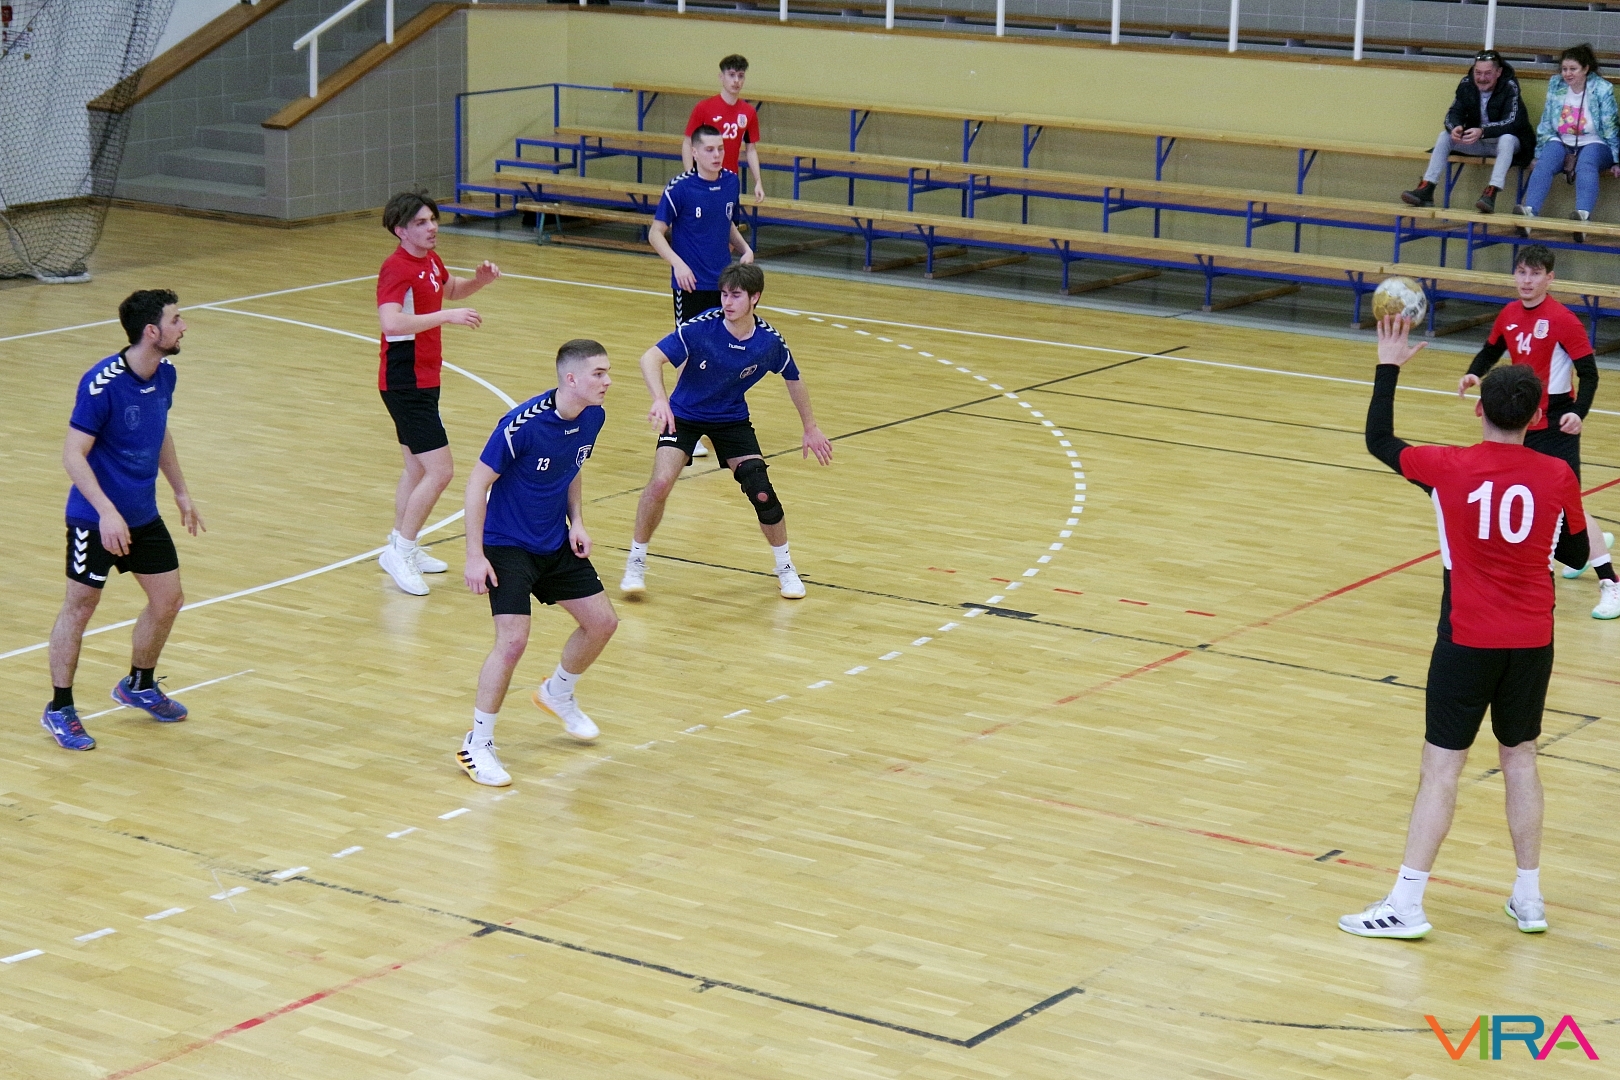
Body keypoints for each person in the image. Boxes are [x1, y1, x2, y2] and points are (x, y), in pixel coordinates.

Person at [1340, 317, 1589, 939]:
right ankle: (1529, 897)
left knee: (1442, 768)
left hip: (1467, 640)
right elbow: (1579, 555)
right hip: (1531, 642)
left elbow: (1378, 440)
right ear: (1537, 416)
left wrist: (1389, 364)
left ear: (1479, 408)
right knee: (1521, 759)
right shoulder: (1557, 476)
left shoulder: (1446, 466)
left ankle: (1406, 903)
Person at [40, 290, 205, 751]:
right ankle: (60, 708)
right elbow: (73, 455)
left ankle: (139, 684)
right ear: (151, 331)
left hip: (142, 516)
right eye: (176, 320)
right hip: (94, 520)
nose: (183, 327)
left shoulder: (165, 374)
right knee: (80, 607)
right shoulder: (102, 383)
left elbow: (159, 431)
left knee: (168, 600)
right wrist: (106, 512)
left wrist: (180, 490)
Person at [459, 340, 620, 786]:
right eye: (599, 374)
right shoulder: (520, 426)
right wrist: (474, 555)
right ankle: (477, 744)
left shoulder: (593, 416)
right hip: (506, 545)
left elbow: (572, 467)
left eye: (607, 372)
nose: (607, 381)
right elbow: (475, 485)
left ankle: (557, 693)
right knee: (512, 642)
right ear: (571, 378)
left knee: (602, 623)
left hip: (554, 541)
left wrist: (577, 521)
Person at [621, 263, 832, 600]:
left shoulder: (769, 342)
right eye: (724, 294)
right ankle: (636, 561)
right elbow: (650, 358)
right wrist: (660, 399)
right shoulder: (701, 328)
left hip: (731, 419)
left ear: (755, 298)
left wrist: (811, 427)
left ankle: (785, 568)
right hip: (684, 415)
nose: (727, 302)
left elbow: (793, 378)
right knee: (660, 483)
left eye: (736, 296)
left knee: (761, 490)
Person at [1457, 244, 1616, 618]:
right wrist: (1473, 373)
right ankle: (1582, 551)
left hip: (1557, 423)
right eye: (1522, 272)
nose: (1527, 281)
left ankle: (1611, 582)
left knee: (1569, 505)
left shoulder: (1563, 320)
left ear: (1550, 278)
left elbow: (1590, 374)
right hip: (1522, 421)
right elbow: (1490, 351)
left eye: (1535, 273)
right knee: (1544, 498)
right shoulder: (1509, 313)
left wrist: (1578, 413)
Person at [376, 190, 501, 596]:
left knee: (417, 469)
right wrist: (446, 317)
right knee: (441, 471)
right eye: (421, 222)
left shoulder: (429, 259)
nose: (432, 227)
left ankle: (401, 545)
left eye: (432, 219)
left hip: (425, 377)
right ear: (401, 230)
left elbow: (452, 289)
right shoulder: (396, 268)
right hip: (405, 381)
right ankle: (401, 551)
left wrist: (479, 282)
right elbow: (391, 322)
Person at [1401, 50, 1534, 214]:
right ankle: (1427, 188)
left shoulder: (1510, 86)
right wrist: (1455, 127)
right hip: (1477, 141)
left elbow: (1513, 122)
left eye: (1487, 73)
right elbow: (1452, 114)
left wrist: (1483, 131)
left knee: (1507, 139)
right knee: (1445, 136)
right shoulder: (1466, 84)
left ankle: (1491, 191)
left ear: (1498, 72)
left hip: (1507, 145)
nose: (1482, 78)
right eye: (1478, 72)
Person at [652, 126, 755, 326]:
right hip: (691, 284)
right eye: (709, 149)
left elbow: (726, 223)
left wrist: (746, 249)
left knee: (723, 339)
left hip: (724, 284)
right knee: (688, 341)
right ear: (695, 152)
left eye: (720, 148)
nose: (717, 155)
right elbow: (655, 233)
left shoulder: (731, 182)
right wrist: (678, 265)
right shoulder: (679, 188)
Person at [1516, 44, 1620, 236]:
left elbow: (1611, 125)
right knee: (1545, 162)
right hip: (1562, 140)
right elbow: (1547, 121)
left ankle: (1582, 217)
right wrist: (1538, 154)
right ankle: (1529, 213)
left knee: (1586, 164)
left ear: (1586, 69)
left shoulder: (1602, 88)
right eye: (1564, 69)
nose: (1567, 74)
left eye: (1573, 69)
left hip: (1595, 141)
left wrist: (1616, 160)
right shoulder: (1556, 84)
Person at [683, 54, 766, 205]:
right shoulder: (704, 107)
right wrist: (690, 176)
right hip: (704, 178)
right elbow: (688, 143)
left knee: (729, 218)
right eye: (731, 75)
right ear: (721, 77)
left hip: (729, 179)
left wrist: (758, 181)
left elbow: (751, 149)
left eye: (740, 76)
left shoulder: (748, 112)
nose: (736, 80)